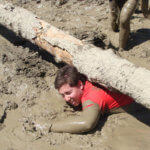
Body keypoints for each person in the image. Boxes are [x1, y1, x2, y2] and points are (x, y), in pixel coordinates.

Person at [49, 64, 140, 133]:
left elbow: (87, 123)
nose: (66, 99)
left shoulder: (91, 97)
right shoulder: (85, 79)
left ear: (80, 84)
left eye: (68, 93)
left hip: (139, 104)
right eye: (62, 95)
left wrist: (49, 126)